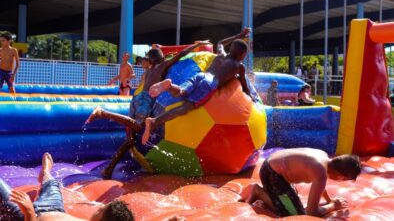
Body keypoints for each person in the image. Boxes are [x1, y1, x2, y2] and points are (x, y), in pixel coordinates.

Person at [85, 41, 209, 179]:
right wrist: (195, 46)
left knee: (131, 139)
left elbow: (167, 55)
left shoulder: (150, 68)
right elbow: (181, 54)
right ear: (160, 58)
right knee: (137, 126)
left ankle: (109, 169)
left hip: (137, 98)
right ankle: (103, 113)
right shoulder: (162, 66)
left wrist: (162, 52)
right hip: (145, 100)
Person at [143, 35, 255, 145]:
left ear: (230, 49)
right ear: (242, 55)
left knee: (181, 91)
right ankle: (154, 121)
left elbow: (220, 42)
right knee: (186, 107)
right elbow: (245, 85)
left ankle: (170, 86)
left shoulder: (221, 55)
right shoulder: (239, 66)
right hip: (210, 83)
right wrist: (250, 95)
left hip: (201, 75)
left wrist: (239, 35)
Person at [0, 153, 134, 221]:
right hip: (54, 208)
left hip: (27, 215)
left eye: (100, 211)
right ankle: (46, 173)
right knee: (53, 185)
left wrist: (29, 212)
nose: (97, 208)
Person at [240, 148, 361, 217]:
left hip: (272, 166)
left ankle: (270, 193)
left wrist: (329, 200)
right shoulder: (320, 173)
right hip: (272, 174)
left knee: (292, 198)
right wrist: (334, 206)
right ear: (342, 177)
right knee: (295, 214)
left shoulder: (323, 156)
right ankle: (258, 192)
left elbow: (320, 186)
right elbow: (311, 213)